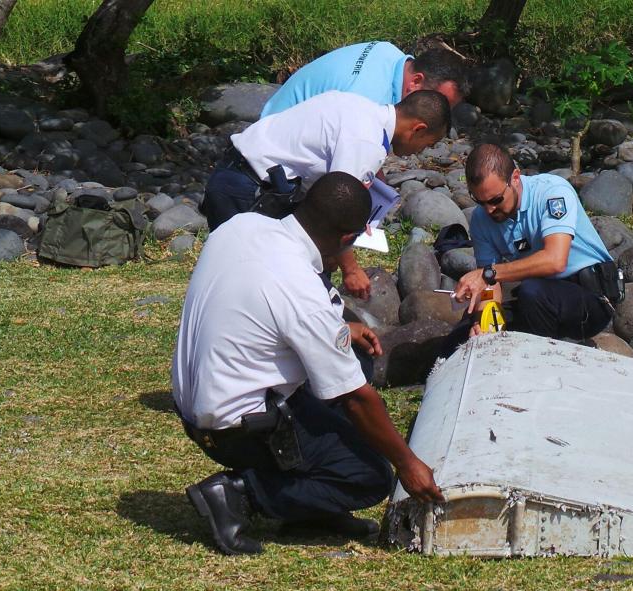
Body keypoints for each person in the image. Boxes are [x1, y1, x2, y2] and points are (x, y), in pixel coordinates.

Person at [174, 172, 444, 556]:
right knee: (368, 476)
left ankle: (312, 508)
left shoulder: (241, 225)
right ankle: (239, 494)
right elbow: (356, 399)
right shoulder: (299, 286)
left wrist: (342, 329)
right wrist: (407, 463)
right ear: (347, 239)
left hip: (193, 404)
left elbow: (260, 309)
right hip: (235, 427)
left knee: (356, 362)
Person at [200, 89, 451, 298]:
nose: (420, 151)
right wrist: (351, 270)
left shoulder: (358, 105)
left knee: (235, 275)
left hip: (233, 173)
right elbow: (337, 209)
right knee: (255, 284)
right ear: (418, 128)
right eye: (427, 144)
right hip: (250, 190)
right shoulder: (367, 142)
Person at [450, 143, 615, 344]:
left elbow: (555, 261)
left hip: (590, 299)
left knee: (532, 292)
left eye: (496, 200)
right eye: (480, 201)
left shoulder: (552, 192)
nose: (489, 210)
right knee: (464, 332)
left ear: (515, 178)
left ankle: (545, 362)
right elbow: (488, 287)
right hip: (541, 297)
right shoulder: (481, 220)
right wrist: (484, 320)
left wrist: (489, 273)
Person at [260, 42, 468, 118]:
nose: (439, 115)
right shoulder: (368, 101)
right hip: (273, 153)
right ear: (415, 81)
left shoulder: (389, 53)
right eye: (439, 104)